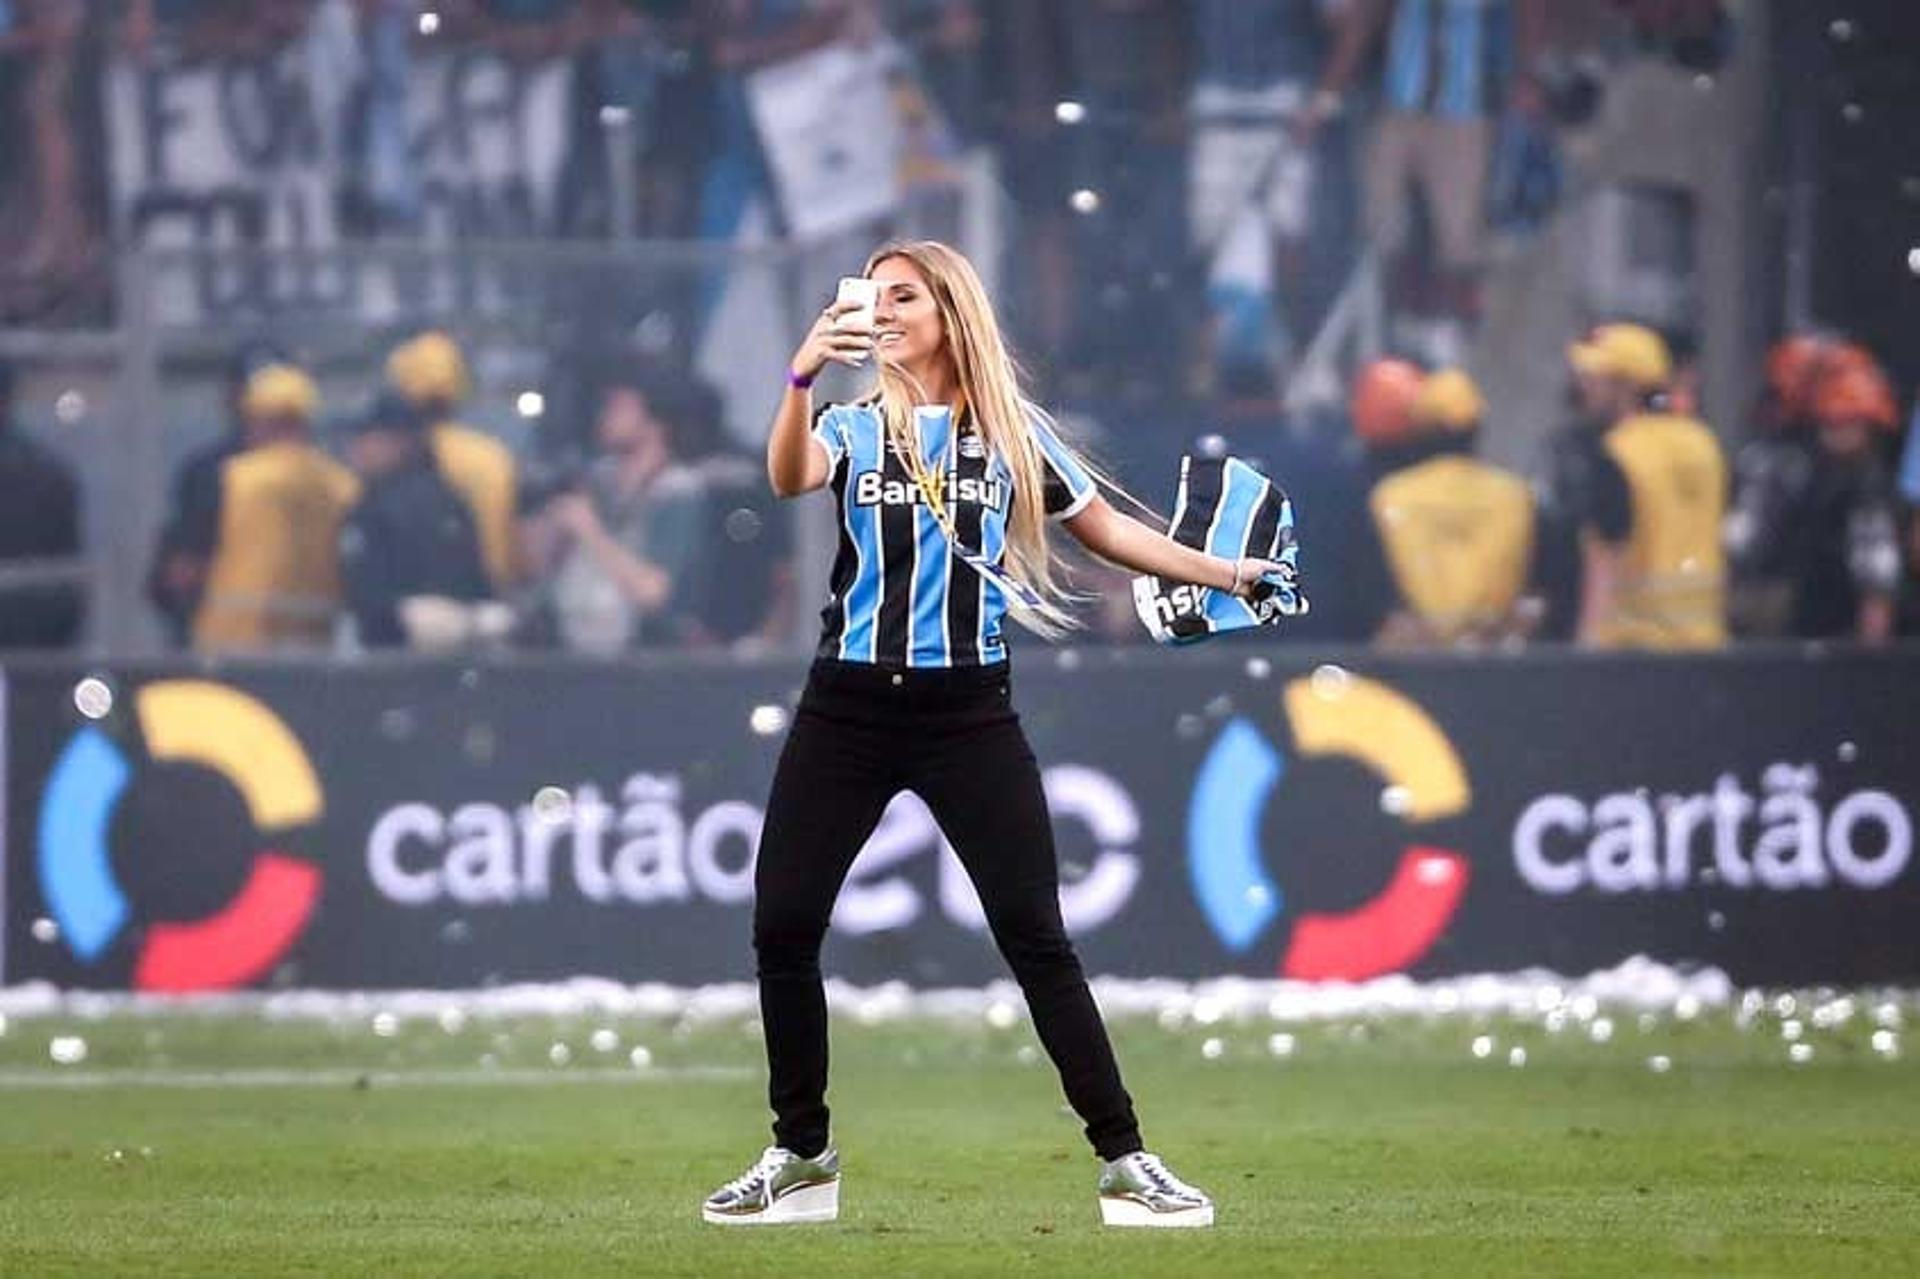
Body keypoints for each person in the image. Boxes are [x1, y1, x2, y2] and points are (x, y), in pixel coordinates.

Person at [703, 240, 1286, 1230]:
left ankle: (1126, 1158)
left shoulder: (1015, 436)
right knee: (784, 926)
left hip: (967, 710)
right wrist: (802, 370)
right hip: (845, 705)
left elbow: (1106, 530)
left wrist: (1225, 574)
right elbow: (787, 473)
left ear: (948, 312)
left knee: (1037, 939)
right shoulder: (848, 422)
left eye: (904, 295)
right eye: (873, 296)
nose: (882, 311)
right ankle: (802, 1153)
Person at [1553, 322, 1726, 649]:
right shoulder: (1704, 445)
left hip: (1633, 652)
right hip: (1706, 647)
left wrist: (1586, 648)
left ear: (1625, 385)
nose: (1583, 387)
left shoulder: (1615, 453)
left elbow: (1604, 556)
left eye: (1594, 378)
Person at [1348, 365, 1541, 647]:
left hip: (1416, 656)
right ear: (1477, 428)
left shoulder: (1389, 496)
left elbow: (1372, 590)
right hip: (1494, 654)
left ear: (1420, 426)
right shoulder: (1515, 495)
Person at [529, 368, 707, 653]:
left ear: (656, 421)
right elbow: (533, 569)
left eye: (620, 407)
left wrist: (591, 533)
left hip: (645, 652)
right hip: (571, 642)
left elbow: (654, 592)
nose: (607, 417)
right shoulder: (596, 482)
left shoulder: (677, 491)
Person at [193, 364, 359, 652]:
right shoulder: (343, 486)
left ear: (259, 421)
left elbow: (190, 564)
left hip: (232, 645)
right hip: (315, 645)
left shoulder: (230, 478)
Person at [146, 338, 286, 645]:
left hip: (304, 648)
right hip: (216, 646)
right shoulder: (207, 473)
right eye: (251, 397)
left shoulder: (320, 481)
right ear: (232, 398)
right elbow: (172, 578)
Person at [337, 390, 499, 650]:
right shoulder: (450, 497)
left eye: (368, 437)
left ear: (402, 441)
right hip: (463, 653)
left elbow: (369, 600)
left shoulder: (375, 506)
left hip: (392, 661)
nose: (357, 448)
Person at [1780, 352, 1904, 643]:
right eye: (1829, 424)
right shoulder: (1815, 476)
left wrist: (1870, 643)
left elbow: (1877, 574)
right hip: (1813, 623)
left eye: (1846, 424)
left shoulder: (1868, 486)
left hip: (1848, 638)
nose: (1833, 434)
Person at [385, 330, 522, 592]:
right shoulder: (492, 455)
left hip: (410, 609)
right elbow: (508, 553)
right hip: (487, 602)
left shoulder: (396, 456)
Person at [0, 356, 86, 647]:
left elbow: (67, 588)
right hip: (35, 652)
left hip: (30, 647)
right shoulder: (51, 474)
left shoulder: (47, 477)